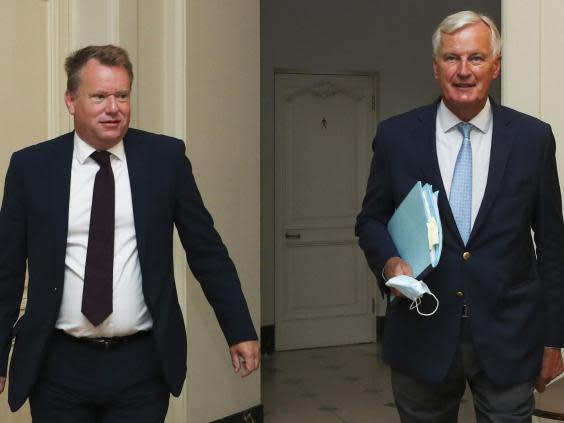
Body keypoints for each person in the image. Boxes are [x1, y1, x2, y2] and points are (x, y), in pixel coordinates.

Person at [0, 45, 259, 422]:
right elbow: (5, 269)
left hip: (140, 366)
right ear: (71, 101)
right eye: (100, 96)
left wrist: (239, 328)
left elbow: (207, 251)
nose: (114, 107)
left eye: (122, 95)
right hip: (57, 365)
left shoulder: (164, 160)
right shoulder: (31, 167)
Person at [356, 10, 564, 422]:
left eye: (476, 58)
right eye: (452, 58)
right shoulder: (397, 137)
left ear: (496, 66)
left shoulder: (533, 139)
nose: (464, 70)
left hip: (509, 336)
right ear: (436, 68)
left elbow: (553, 248)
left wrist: (553, 340)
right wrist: (390, 263)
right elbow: (370, 220)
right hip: (422, 331)